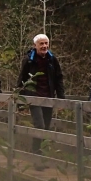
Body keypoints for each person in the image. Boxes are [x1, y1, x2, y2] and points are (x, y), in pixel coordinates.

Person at [17, 34, 65, 163]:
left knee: (46, 128)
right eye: (41, 44)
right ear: (35, 46)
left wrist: (61, 99)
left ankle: (42, 157)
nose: (44, 46)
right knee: (39, 126)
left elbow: (58, 78)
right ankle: (36, 157)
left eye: (46, 43)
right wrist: (20, 103)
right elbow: (22, 80)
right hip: (34, 97)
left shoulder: (52, 60)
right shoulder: (29, 60)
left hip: (48, 98)